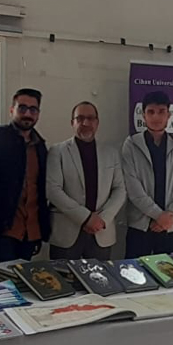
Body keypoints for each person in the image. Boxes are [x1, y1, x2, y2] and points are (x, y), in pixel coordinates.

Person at [0, 88, 50, 263]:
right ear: (11, 110)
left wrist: (40, 231)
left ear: (38, 114)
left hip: (30, 232)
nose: (27, 114)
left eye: (33, 109)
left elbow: (41, 191)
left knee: (25, 280)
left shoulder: (40, 146)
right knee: (4, 280)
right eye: (22, 108)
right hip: (1, 230)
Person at [46, 101, 126, 260]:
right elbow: (53, 190)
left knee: (100, 276)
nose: (85, 123)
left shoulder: (111, 153)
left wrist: (102, 220)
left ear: (97, 123)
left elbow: (120, 189)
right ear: (72, 123)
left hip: (101, 232)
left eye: (90, 118)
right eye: (80, 118)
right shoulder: (57, 152)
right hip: (67, 234)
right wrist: (86, 218)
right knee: (62, 277)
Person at [121, 90, 173, 258]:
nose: (156, 117)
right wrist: (158, 215)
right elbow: (133, 188)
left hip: (170, 226)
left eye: (161, 111)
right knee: (135, 272)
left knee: (170, 272)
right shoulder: (131, 145)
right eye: (151, 112)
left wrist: (168, 216)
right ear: (143, 115)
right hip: (140, 226)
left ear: (169, 115)